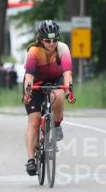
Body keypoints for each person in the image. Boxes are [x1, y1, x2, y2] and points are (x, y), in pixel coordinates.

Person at [22, 20, 75, 175]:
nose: (52, 44)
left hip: (55, 79)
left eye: (54, 40)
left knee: (58, 94)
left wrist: (69, 92)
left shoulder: (63, 49)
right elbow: (29, 76)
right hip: (35, 82)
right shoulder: (33, 51)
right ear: (40, 39)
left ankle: (56, 124)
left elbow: (67, 74)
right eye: (47, 41)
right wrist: (27, 93)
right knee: (34, 120)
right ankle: (31, 160)